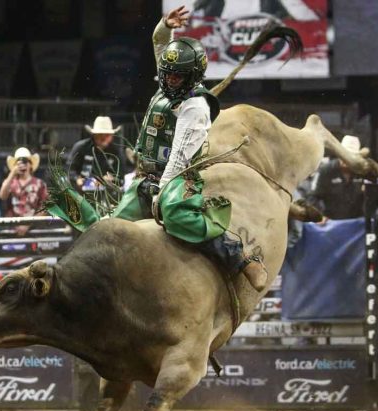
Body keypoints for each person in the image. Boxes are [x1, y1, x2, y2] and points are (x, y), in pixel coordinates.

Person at [113, 5, 267, 291]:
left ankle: (240, 258)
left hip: (178, 179)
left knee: (175, 214)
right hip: (145, 177)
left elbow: (179, 156)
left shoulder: (195, 107)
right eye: (168, 74)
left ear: (192, 76)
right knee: (113, 227)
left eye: (177, 76)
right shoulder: (168, 84)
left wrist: (162, 193)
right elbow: (160, 45)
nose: (170, 79)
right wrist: (165, 26)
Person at [308, 135, 366, 220]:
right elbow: (312, 197)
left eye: (351, 155)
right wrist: (319, 216)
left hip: (357, 223)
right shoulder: (325, 170)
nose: (346, 158)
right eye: (344, 154)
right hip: (330, 223)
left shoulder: (362, 172)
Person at [67, 116, 124, 194]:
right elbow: (69, 170)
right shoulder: (81, 147)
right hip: (80, 193)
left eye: (107, 135)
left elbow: (121, 175)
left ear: (111, 136)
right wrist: (77, 179)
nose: (103, 138)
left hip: (107, 194)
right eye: (100, 135)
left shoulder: (116, 152)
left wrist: (112, 179)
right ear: (94, 135)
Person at [0, 147, 48, 236]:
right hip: (12, 230)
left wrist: (28, 224)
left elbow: (45, 208)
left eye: (25, 161)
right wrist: (12, 173)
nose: (22, 165)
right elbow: (2, 196)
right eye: (18, 162)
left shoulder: (40, 184)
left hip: (33, 231)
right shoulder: (10, 182)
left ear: (31, 165)